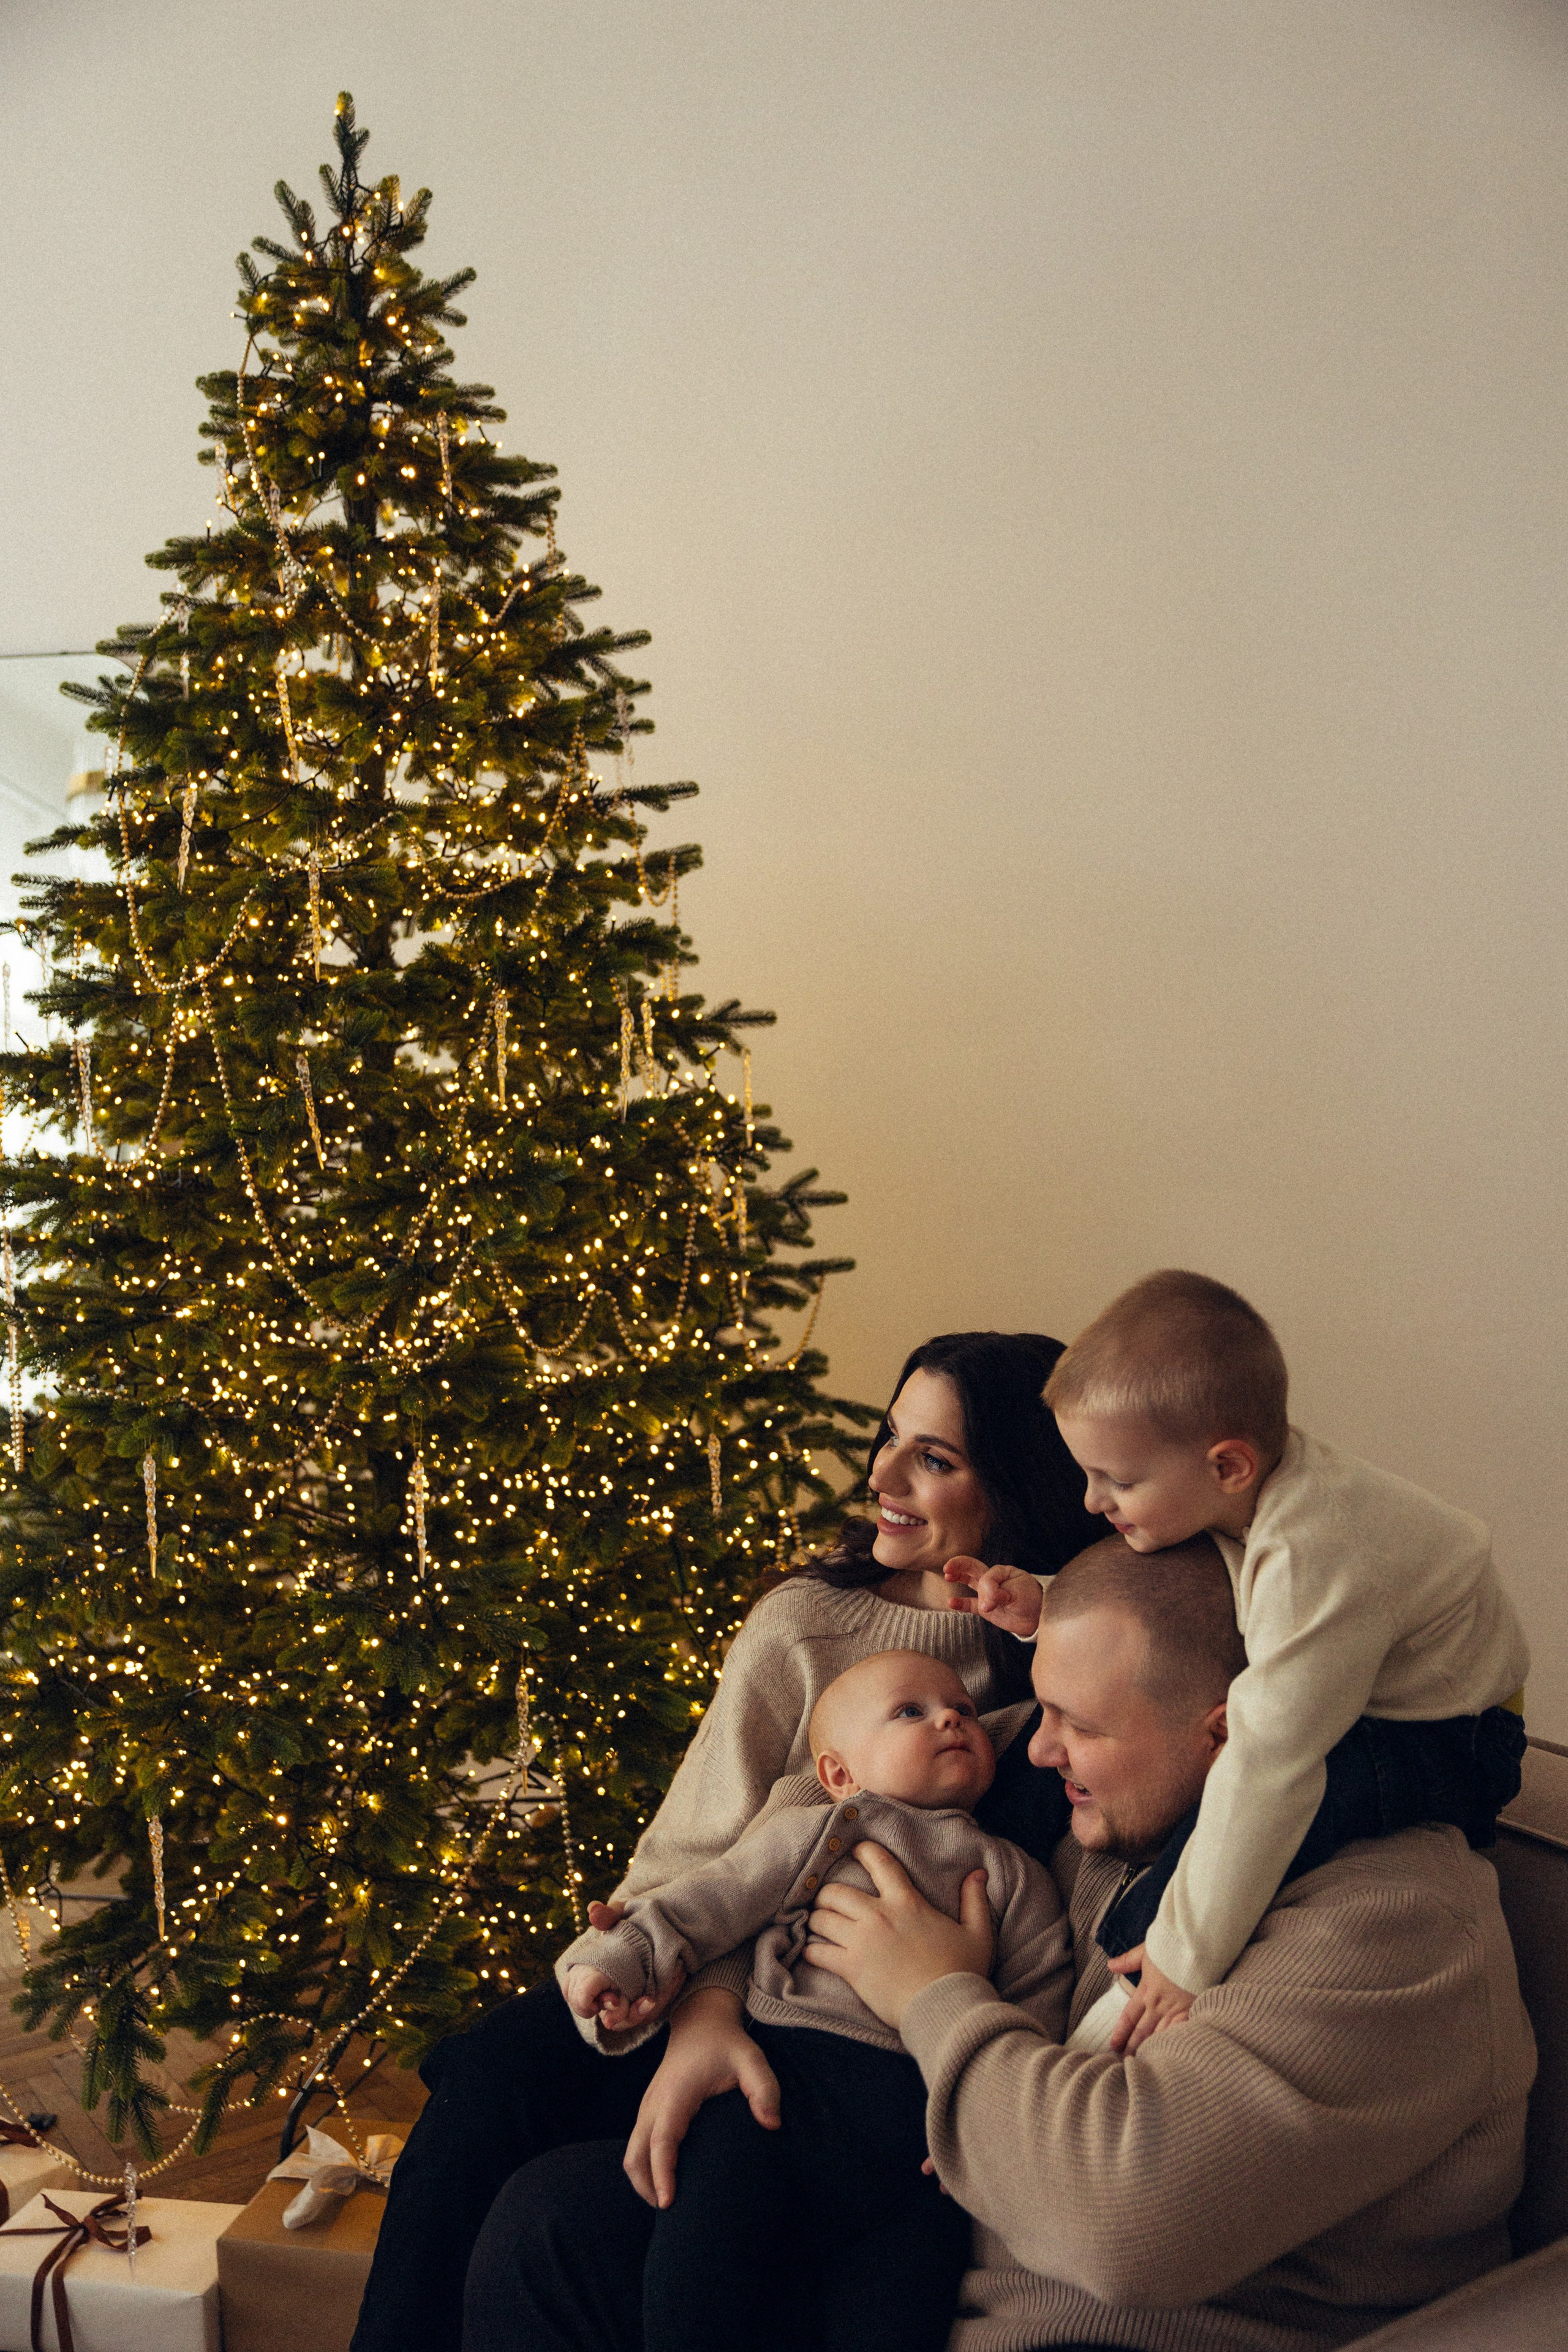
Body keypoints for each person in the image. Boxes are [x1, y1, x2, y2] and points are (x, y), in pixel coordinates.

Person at [469, 1534, 1535, 2352]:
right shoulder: (1148, 1801)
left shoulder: (1393, 1926)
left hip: (1085, 2318)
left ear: (1229, 1733)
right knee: (552, 2219)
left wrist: (932, 1992)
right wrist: (709, 2001)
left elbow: (1124, 2230)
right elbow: (831, 1797)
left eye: (1079, 1723)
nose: (1038, 1745)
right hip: (937, 2229)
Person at [349, 1330, 1099, 2352]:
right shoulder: (807, 1626)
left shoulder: (1060, 1661)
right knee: (486, 2084)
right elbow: (699, 1861)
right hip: (707, 1966)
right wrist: (706, 2014)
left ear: (1017, 1485)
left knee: (576, 2201)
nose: (880, 1474)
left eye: (935, 1458)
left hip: (871, 2039)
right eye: (889, 1438)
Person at [960, 1270, 1529, 2054]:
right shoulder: (1238, 1501)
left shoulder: (1313, 1555)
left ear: (1227, 1465)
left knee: (1237, 1819)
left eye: (1117, 1481)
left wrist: (1186, 1956)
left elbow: (1270, 1766)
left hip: (1451, 1738)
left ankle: (1115, 2018)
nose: (1093, 1502)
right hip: (1369, 1694)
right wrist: (1047, 1604)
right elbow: (1180, 1610)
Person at [557, 1651, 1072, 2352]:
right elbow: (707, 1902)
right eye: (910, 1711)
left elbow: (1037, 2005)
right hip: (779, 2091)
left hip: (918, 2135)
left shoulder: (1016, 1874)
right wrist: (617, 1962)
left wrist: (987, 2132)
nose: (952, 1717)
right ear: (839, 1775)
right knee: (697, 2284)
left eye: (965, 1711)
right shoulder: (822, 1833)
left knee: (901, 2312)